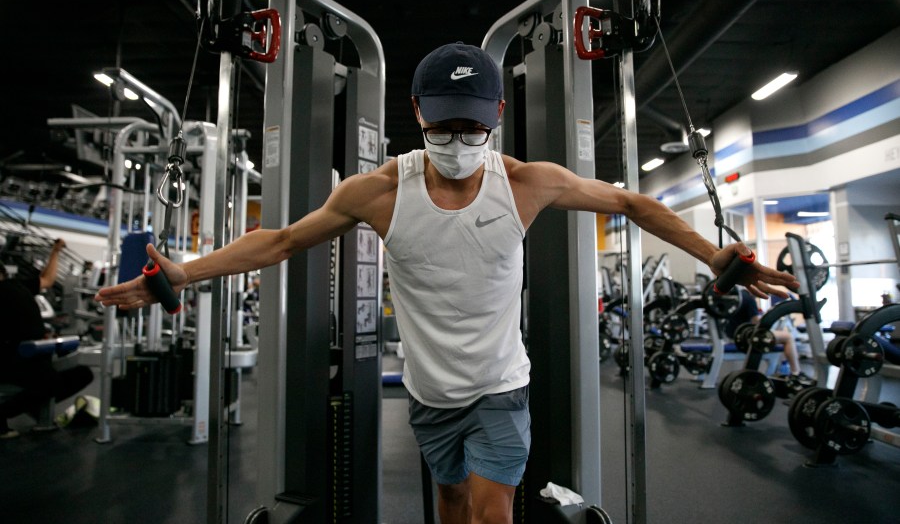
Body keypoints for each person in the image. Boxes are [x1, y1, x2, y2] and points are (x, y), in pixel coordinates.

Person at [95, 42, 798, 523]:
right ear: (419, 111)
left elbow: (633, 203)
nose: (458, 138)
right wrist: (181, 273)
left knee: (493, 513)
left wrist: (717, 257)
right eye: (445, 122)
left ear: (496, 116)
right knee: (453, 507)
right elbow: (277, 241)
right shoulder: (377, 192)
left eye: (472, 124)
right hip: (432, 398)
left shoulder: (526, 182)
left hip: (500, 387)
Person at [1, 239, 94, 438]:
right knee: (48, 381)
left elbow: (48, 280)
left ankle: (33, 409)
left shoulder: (16, 286)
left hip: (32, 355)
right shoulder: (10, 289)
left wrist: (55, 251)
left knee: (82, 373)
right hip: (10, 359)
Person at [724, 286, 813, 389]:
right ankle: (796, 373)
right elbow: (757, 323)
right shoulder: (750, 299)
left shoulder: (739, 296)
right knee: (787, 337)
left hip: (732, 335)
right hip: (747, 337)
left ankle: (781, 369)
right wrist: (768, 316)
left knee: (778, 333)